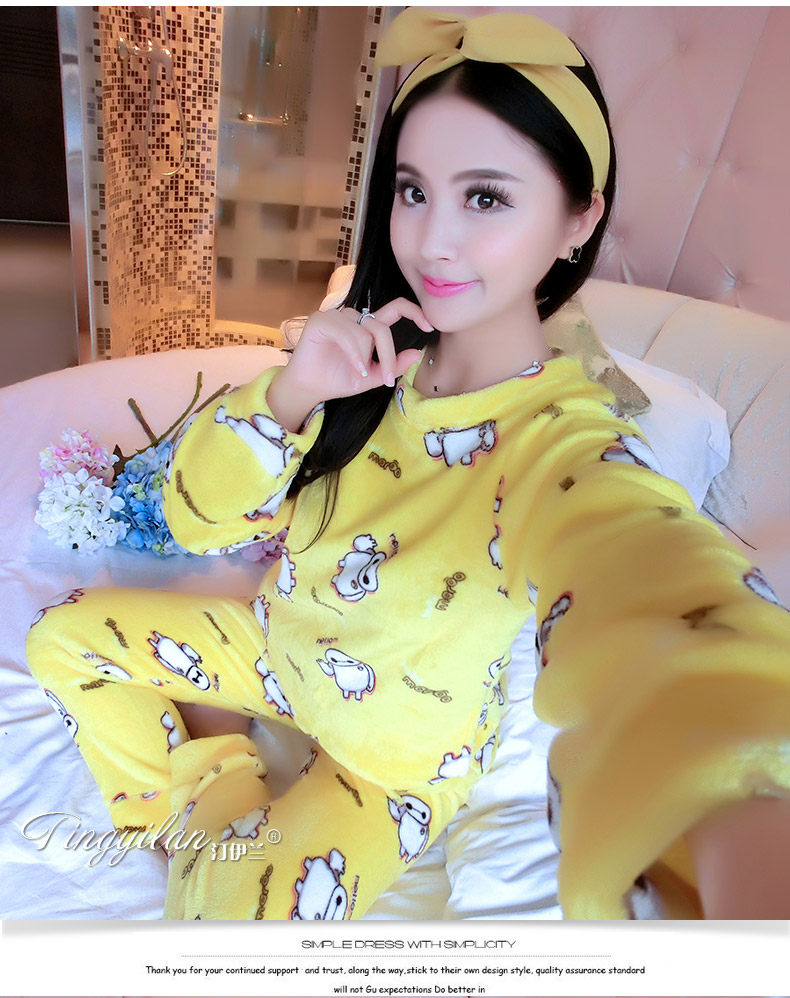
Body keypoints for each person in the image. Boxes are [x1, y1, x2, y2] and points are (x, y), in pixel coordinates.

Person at [26, 8, 790, 920]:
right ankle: (220, 771)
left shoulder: (562, 440)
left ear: (579, 219)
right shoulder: (367, 356)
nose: (432, 241)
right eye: (413, 191)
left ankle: (213, 797)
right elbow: (194, 520)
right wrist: (291, 394)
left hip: (388, 761)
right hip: (276, 655)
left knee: (218, 930)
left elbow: (648, 570)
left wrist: (739, 791)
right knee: (60, 637)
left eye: (486, 198)